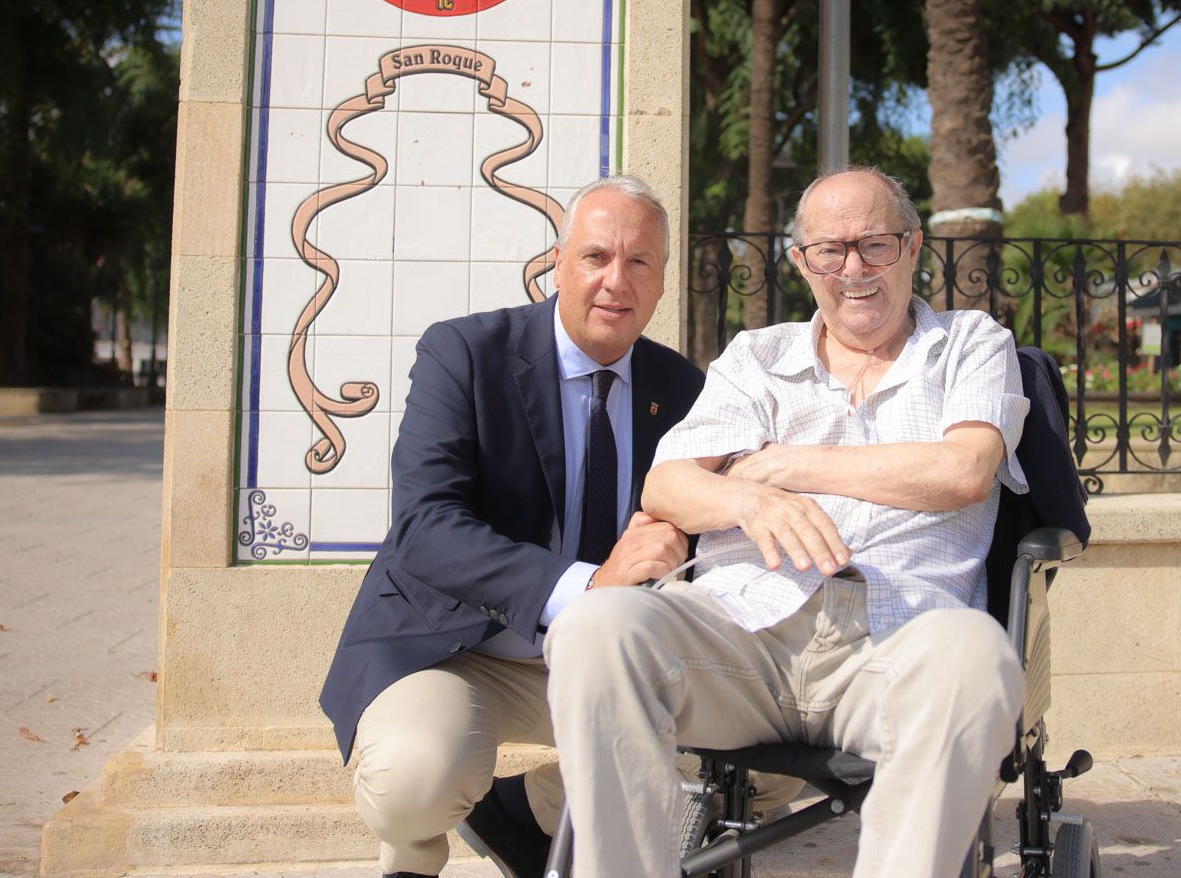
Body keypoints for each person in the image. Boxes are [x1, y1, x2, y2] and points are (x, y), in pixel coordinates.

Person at [544, 167, 1032, 878]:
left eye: (876, 244)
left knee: (978, 657)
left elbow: (962, 471)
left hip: (896, 646)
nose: (853, 268)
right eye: (829, 250)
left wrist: (784, 465)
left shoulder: (969, 345)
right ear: (801, 262)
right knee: (595, 628)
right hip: (743, 640)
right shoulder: (756, 359)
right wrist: (748, 502)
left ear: (915, 247)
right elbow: (669, 483)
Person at [318, 175, 704, 878]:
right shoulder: (464, 354)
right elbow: (424, 527)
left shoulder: (683, 390)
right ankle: (410, 854)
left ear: (662, 280)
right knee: (417, 775)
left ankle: (525, 813)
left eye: (640, 261)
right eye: (596, 257)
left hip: (610, 660)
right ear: (558, 264)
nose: (616, 281)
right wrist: (588, 585)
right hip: (459, 647)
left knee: (745, 762)